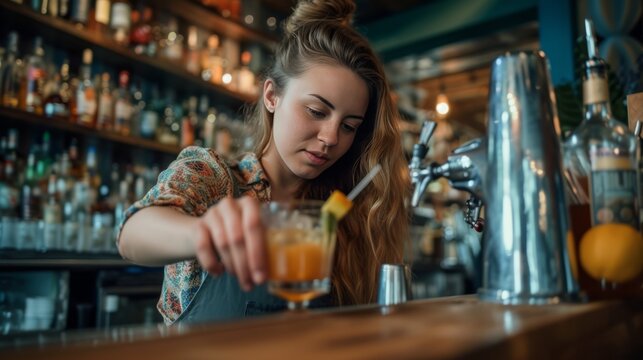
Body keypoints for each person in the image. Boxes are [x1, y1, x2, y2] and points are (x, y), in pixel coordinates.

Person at [117, 0, 410, 325]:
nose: (330, 137)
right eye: (316, 111)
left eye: (349, 126)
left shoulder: (346, 214)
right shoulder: (217, 178)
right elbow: (133, 234)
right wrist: (204, 232)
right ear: (272, 96)